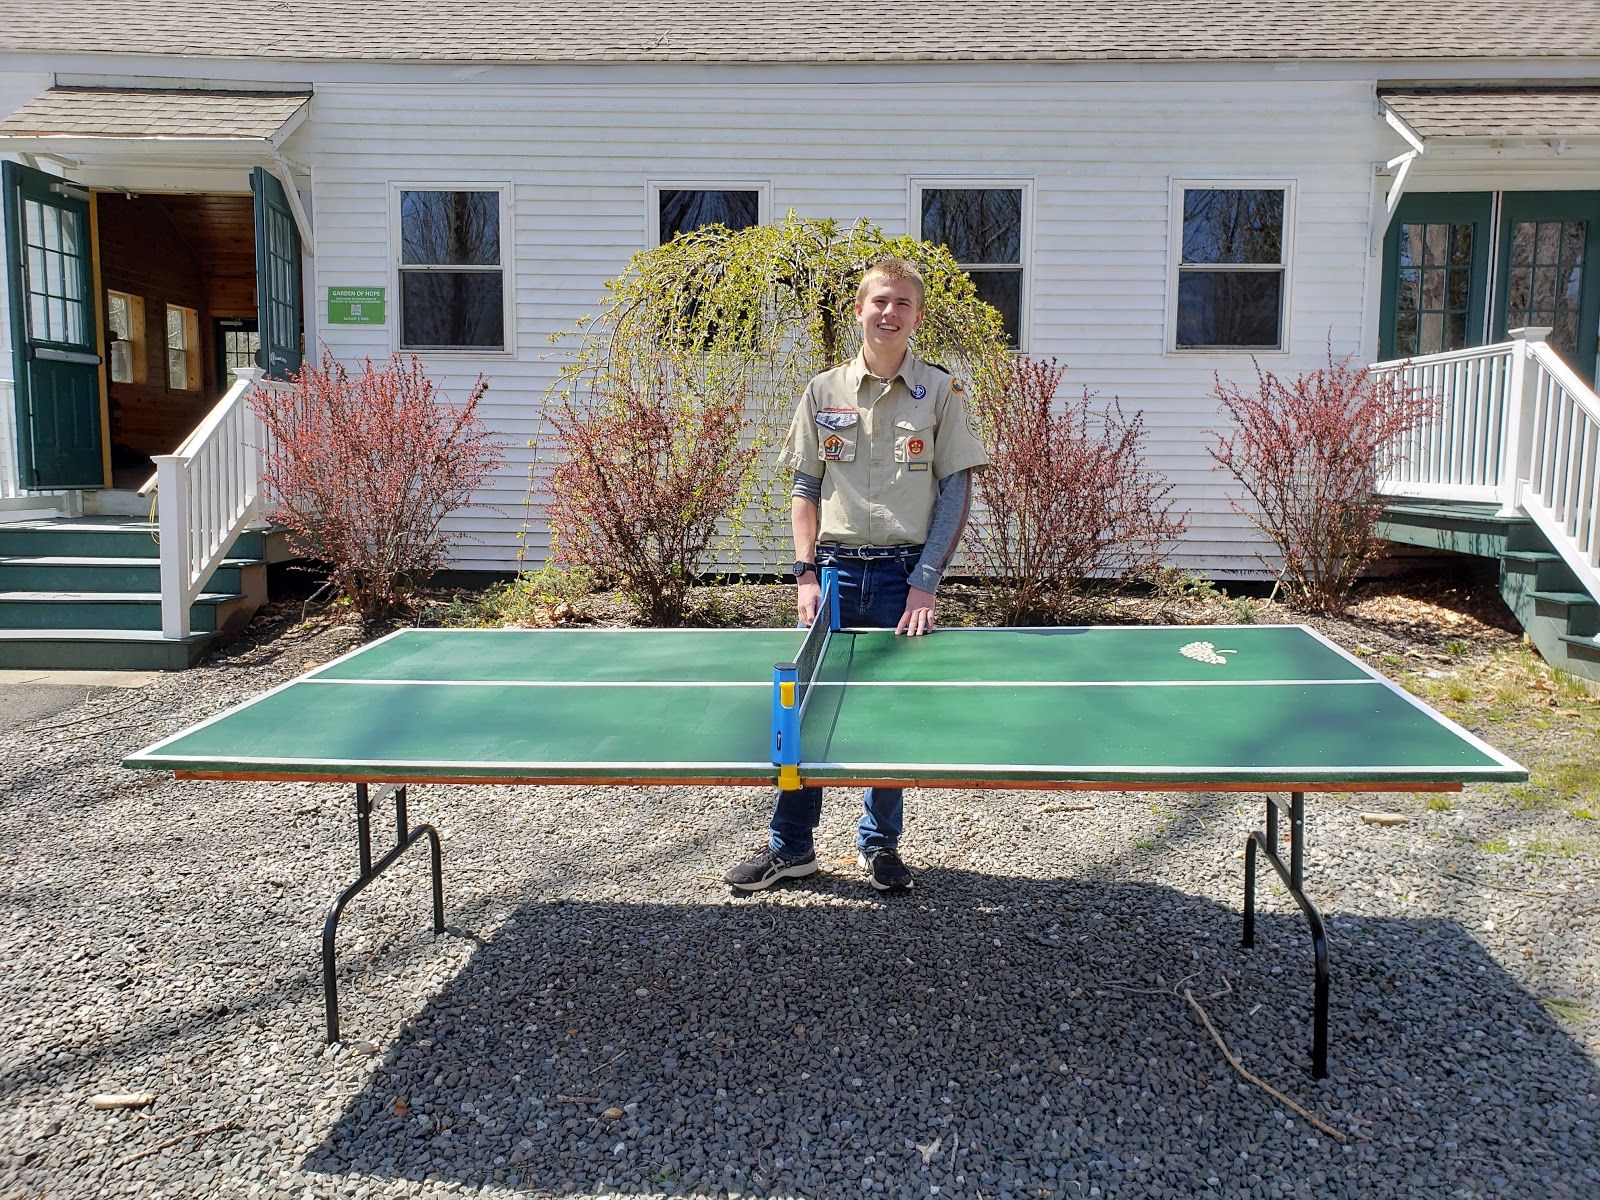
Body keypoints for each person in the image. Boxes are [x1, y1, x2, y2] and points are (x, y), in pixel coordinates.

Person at [724, 257, 989, 894]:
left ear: (917, 316)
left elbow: (956, 492)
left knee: (887, 719)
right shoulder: (822, 392)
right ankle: (791, 850)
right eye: (879, 301)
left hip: (903, 579)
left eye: (902, 303)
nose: (889, 313)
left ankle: (880, 846)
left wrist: (927, 579)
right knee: (803, 717)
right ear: (859, 310)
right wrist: (804, 573)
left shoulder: (943, 393)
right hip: (836, 576)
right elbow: (804, 486)